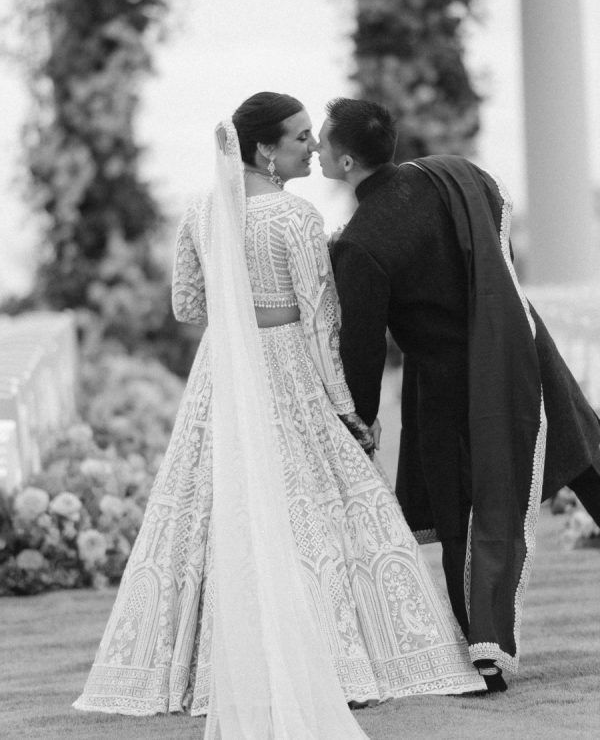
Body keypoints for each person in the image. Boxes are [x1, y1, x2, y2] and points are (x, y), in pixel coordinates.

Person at [73, 92, 486, 735]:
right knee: (314, 507)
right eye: (300, 137)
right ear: (265, 149)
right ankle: (342, 657)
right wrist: (349, 412)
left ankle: (192, 663)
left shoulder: (201, 210)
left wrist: (238, 313)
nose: (312, 147)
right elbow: (323, 323)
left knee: (213, 506)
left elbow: (186, 305)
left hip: (223, 370)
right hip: (289, 365)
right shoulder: (296, 218)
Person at [320, 96, 600, 692]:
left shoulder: (361, 244)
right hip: (519, 343)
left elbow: (362, 350)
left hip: (455, 386)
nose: (316, 149)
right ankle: (486, 646)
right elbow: (497, 237)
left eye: (322, 142)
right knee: (586, 458)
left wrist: (359, 420)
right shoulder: (452, 175)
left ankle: (486, 654)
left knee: (465, 511)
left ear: (346, 162)